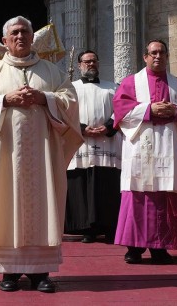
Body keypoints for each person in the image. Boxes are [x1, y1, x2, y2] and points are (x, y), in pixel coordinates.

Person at [0, 16, 83, 293]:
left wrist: (45, 98)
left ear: (33, 37)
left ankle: (41, 273)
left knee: (44, 207)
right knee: (4, 205)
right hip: (4, 156)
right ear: (5, 41)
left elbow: (70, 101)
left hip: (43, 156)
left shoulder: (52, 72)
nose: (20, 37)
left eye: (25, 32)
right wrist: (4, 100)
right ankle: (9, 271)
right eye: (14, 33)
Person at [112, 39, 177, 265]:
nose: (157, 56)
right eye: (153, 53)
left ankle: (161, 247)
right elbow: (120, 110)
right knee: (137, 197)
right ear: (145, 57)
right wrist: (149, 110)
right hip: (141, 147)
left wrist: (175, 109)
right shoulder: (131, 83)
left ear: (167, 56)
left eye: (161, 53)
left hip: (169, 148)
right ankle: (134, 248)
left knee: (164, 196)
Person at [65, 50, 122, 244]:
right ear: (79, 64)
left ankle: (109, 227)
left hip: (107, 142)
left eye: (94, 61)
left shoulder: (113, 87)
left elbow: (121, 111)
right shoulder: (70, 89)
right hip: (81, 143)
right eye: (86, 62)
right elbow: (64, 114)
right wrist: (83, 129)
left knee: (107, 184)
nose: (91, 65)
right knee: (83, 185)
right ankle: (87, 228)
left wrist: (107, 128)